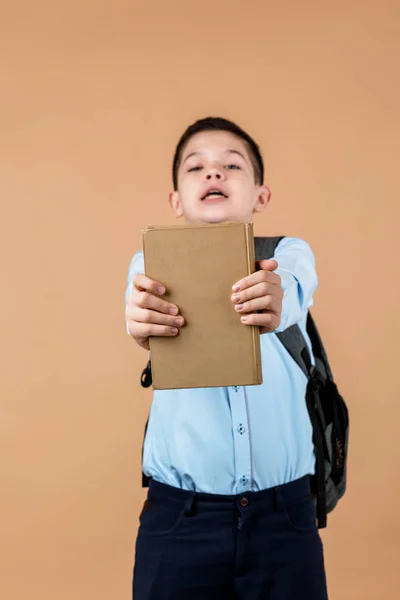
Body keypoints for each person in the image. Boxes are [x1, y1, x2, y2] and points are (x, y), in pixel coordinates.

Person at [125, 117, 328, 600]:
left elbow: (294, 292)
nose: (213, 174)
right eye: (196, 167)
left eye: (231, 165)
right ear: (176, 201)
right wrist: (140, 322)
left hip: (286, 516)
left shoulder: (289, 255)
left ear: (261, 195)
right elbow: (136, 309)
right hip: (180, 518)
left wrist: (275, 300)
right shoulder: (148, 264)